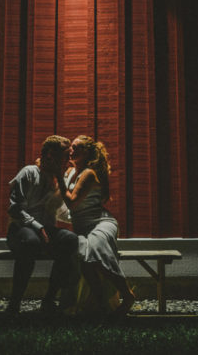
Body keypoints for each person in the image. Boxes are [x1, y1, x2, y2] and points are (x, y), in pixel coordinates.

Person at [59, 135, 136, 316]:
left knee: (94, 255)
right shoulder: (69, 172)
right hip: (82, 227)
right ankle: (101, 303)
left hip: (100, 223)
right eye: (71, 147)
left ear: (87, 153)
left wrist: (57, 175)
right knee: (85, 262)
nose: (72, 150)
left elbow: (71, 203)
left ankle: (127, 294)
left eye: (77, 148)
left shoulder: (89, 173)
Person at [6, 135, 79, 314]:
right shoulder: (29, 172)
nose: (69, 160)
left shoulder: (59, 179)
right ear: (49, 155)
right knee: (31, 242)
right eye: (65, 156)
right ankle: (14, 303)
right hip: (21, 230)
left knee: (70, 239)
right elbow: (15, 209)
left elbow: (60, 212)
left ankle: (49, 300)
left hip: (47, 230)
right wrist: (37, 227)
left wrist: (84, 220)